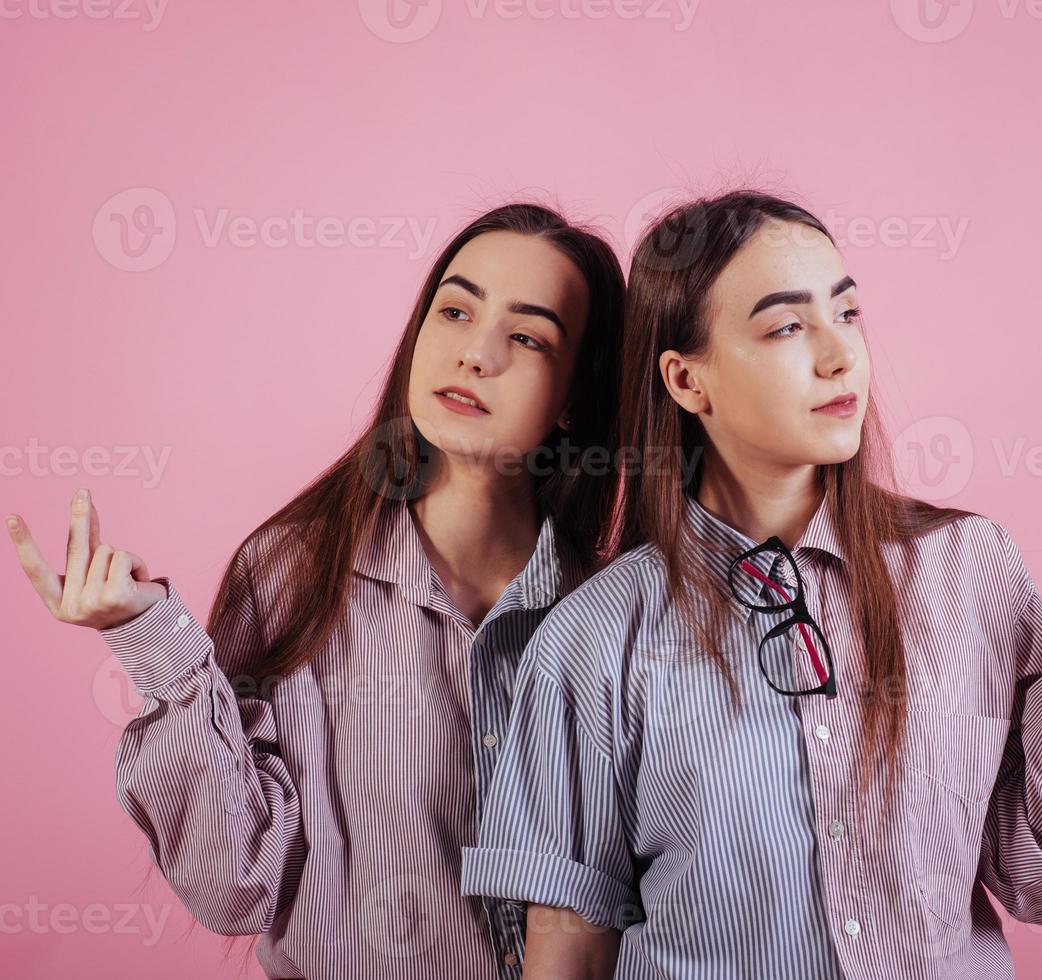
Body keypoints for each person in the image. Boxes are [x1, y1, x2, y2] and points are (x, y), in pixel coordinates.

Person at [461, 190, 1042, 979]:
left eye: (846, 314)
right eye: (785, 326)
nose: (840, 355)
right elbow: (570, 941)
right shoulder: (596, 635)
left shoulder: (967, 570)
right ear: (686, 380)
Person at [6, 202, 626, 979]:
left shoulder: (613, 615)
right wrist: (151, 641)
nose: (475, 353)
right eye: (456, 310)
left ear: (573, 396)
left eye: (528, 336)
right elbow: (236, 886)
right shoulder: (294, 574)